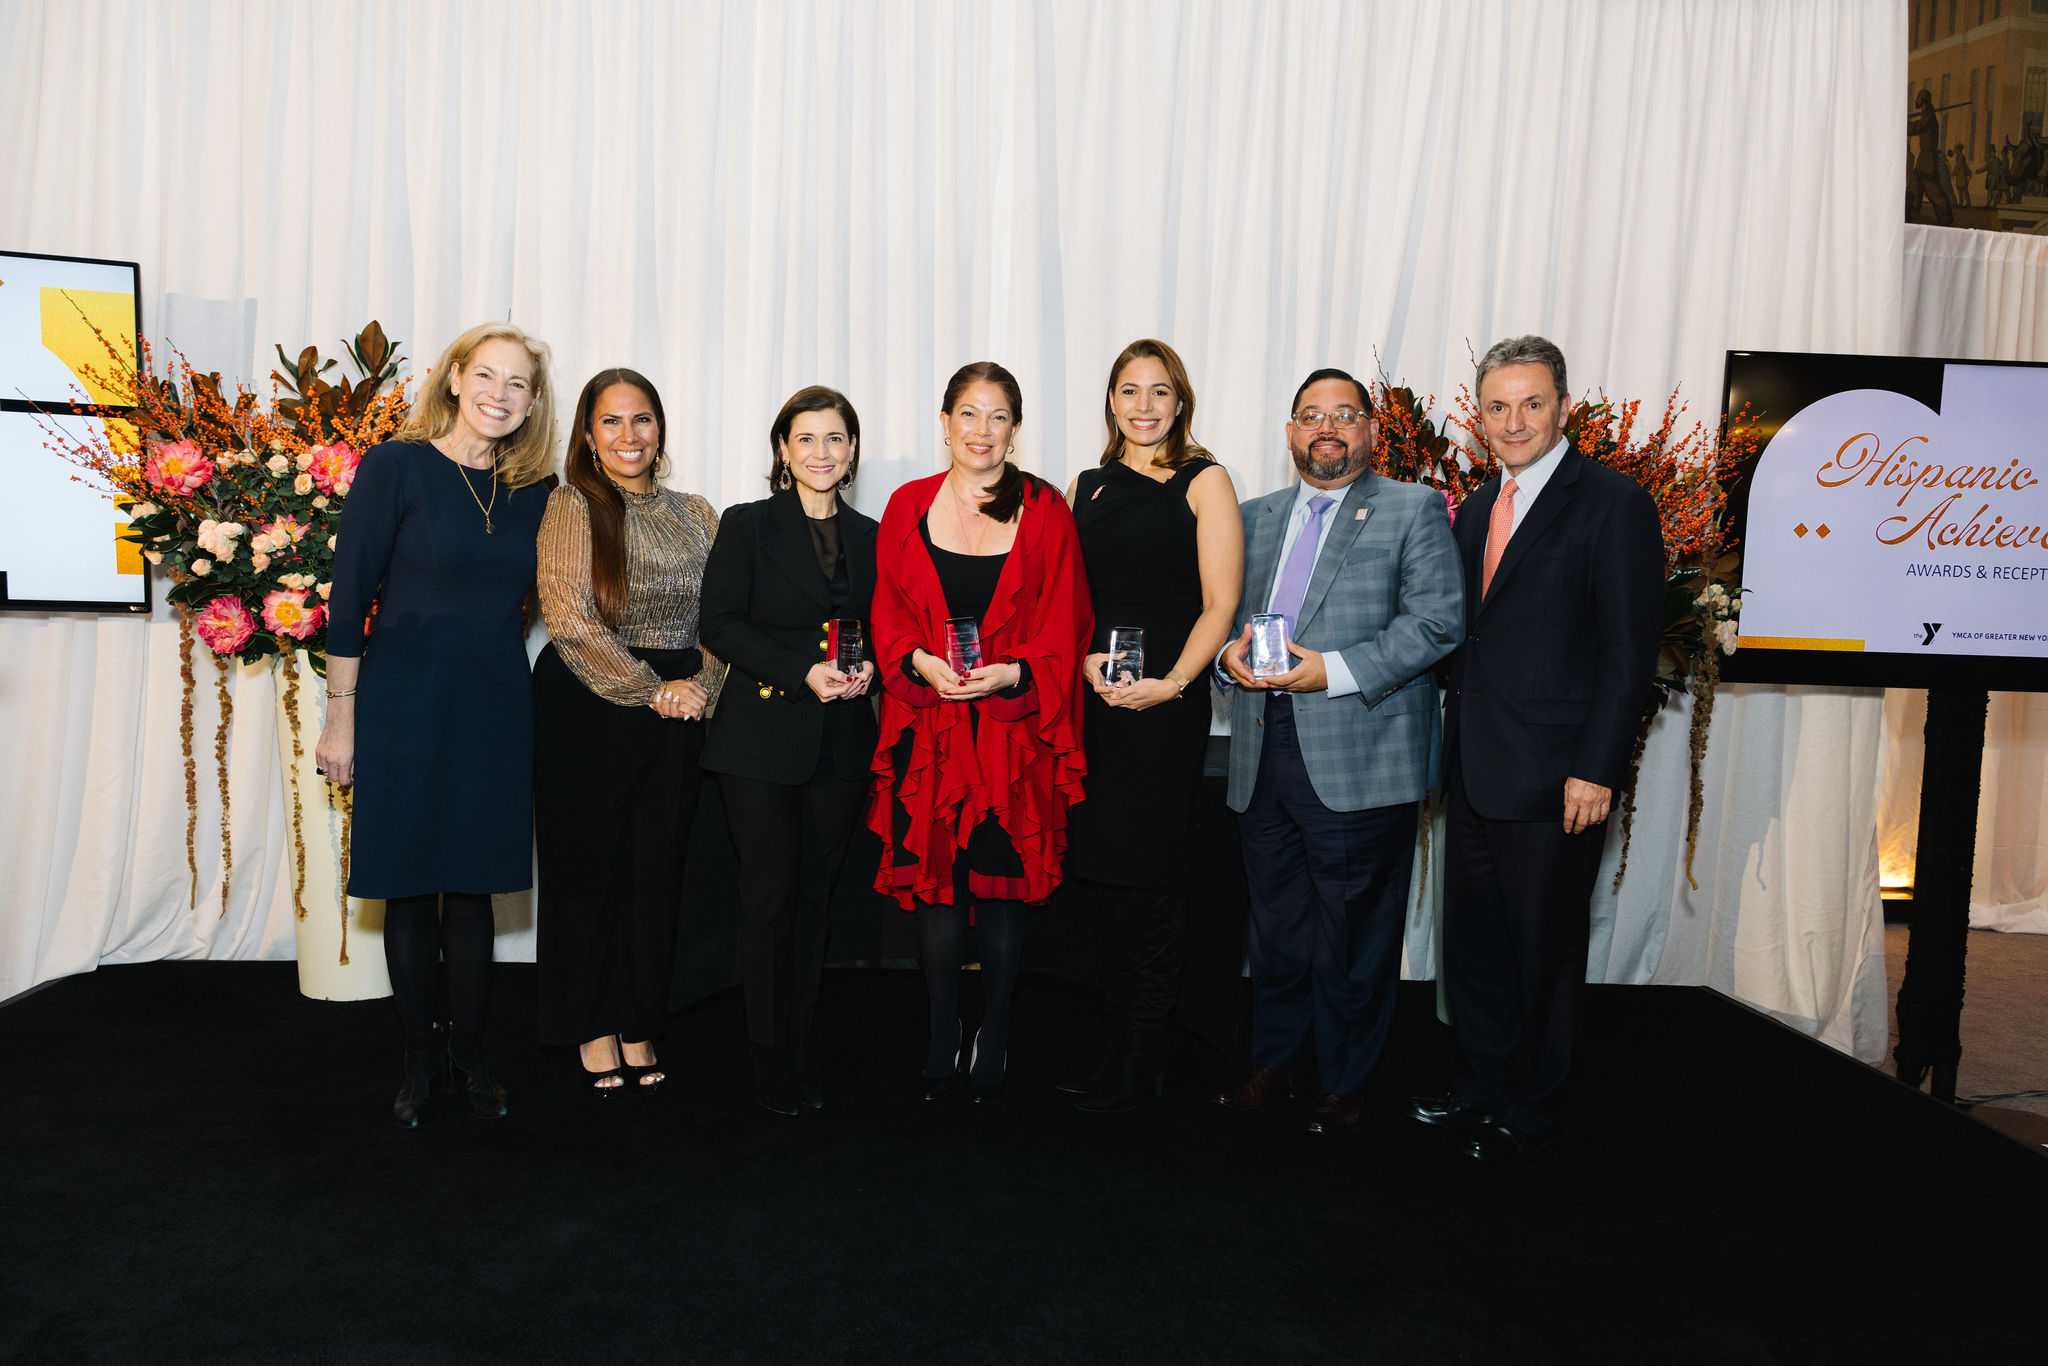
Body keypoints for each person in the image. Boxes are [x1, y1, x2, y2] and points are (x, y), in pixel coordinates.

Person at [1406, 335, 1663, 1163]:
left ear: (1563, 408)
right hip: (1475, 768)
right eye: (1497, 406)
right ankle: (1483, 1082)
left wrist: (1597, 768)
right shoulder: (1480, 504)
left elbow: (1629, 654)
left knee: (1543, 950)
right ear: (1479, 416)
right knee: (1476, 945)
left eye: (1531, 404)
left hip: (1558, 779)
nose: (1513, 421)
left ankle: (1534, 1105)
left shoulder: (1613, 504)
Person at [317, 321, 558, 1127]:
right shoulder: (397, 466)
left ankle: (472, 1053)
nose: (499, 394)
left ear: (533, 401)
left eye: (517, 383)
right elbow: (348, 598)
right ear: (454, 379)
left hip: (494, 704)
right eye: (485, 375)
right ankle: (419, 1057)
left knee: (475, 885)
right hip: (402, 700)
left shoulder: (538, 492)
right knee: (412, 884)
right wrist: (341, 720)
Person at [1212, 367, 1463, 1138]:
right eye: (1311, 414)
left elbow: (1437, 622)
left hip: (1362, 750)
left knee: (1354, 932)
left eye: (1345, 414)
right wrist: (1224, 658)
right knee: (1276, 927)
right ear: (1290, 432)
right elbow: (1222, 617)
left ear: (1370, 431)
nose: (1327, 426)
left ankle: (1344, 1082)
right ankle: (1277, 1060)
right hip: (1262, 748)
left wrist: (1333, 671)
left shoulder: (1413, 507)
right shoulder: (1252, 517)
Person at [869, 361, 1091, 1102]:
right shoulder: (906, 505)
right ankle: (942, 1028)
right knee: (938, 890)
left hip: (1010, 734)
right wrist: (918, 660)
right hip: (930, 728)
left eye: (998, 416)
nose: (982, 430)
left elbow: (1067, 619)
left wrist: (1015, 673)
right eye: (969, 413)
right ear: (945, 423)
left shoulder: (1046, 509)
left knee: (1001, 887)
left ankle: (994, 1029)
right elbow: (887, 613)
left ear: (1016, 428)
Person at [1059, 340, 1242, 1113]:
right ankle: (1116, 1046)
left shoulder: (1206, 480)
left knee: (1154, 883)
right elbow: (1069, 599)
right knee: (1107, 881)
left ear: (1180, 401)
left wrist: (1173, 684)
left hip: (1167, 709)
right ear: (1111, 400)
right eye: (1129, 391)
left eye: (1159, 391)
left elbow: (1221, 603)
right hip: (1100, 708)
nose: (1144, 406)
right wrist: (1082, 661)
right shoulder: (1086, 485)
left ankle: (1148, 1054)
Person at [533, 368, 724, 1098]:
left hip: (682, 705)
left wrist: (702, 686)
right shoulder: (571, 504)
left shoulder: (697, 513)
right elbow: (569, 616)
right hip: (588, 704)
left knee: (655, 874)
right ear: (588, 435)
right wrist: (652, 690)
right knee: (586, 872)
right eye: (610, 422)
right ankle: (590, 1023)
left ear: (660, 427)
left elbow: (724, 616)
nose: (628, 436)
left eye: (641, 419)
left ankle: (640, 1020)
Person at [700, 386, 879, 1116]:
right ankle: (769, 1059)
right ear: (783, 449)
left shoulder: (872, 534)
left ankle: (800, 1046)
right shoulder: (748, 525)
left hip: (842, 742)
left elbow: (885, 628)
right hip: (760, 741)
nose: (820, 452)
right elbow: (720, 625)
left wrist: (872, 667)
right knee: (770, 900)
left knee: (814, 901)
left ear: (853, 449)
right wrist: (803, 670)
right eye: (805, 438)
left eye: (835, 438)